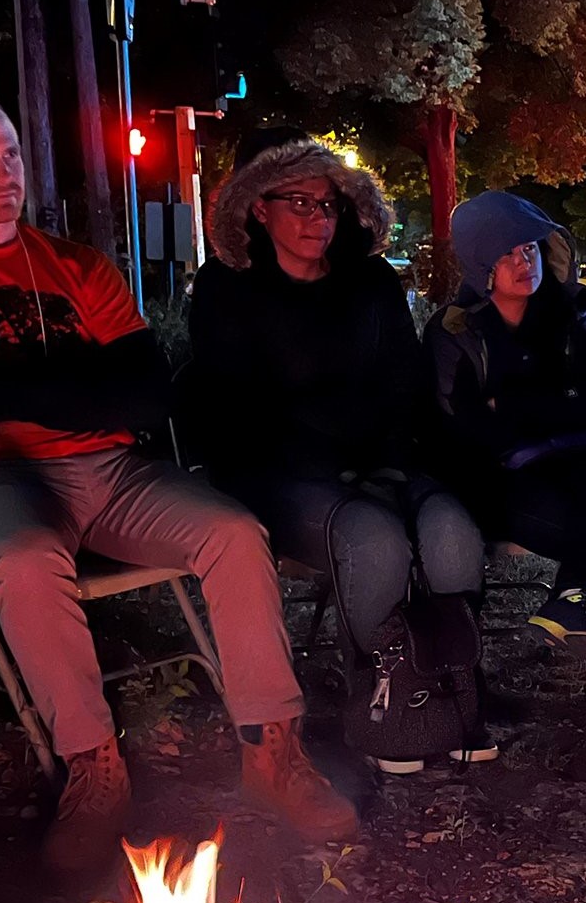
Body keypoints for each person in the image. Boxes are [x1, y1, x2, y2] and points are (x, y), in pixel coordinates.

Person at [0, 84, 354, 870]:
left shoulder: (76, 266)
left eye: (10, 153)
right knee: (28, 557)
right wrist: (76, 382)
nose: (4, 172)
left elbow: (144, 391)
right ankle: (93, 766)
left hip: (107, 468)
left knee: (234, 531)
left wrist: (20, 385)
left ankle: (273, 752)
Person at [188, 130, 488, 774]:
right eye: (296, 201)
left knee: (450, 530)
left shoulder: (371, 282)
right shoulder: (226, 290)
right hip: (280, 471)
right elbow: (238, 408)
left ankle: (454, 688)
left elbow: (404, 383)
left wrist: (393, 457)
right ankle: (385, 692)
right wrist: (345, 455)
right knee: (373, 538)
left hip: (382, 458)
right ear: (255, 207)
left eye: (325, 203)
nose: (315, 217)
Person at [426, 191, 586, 740]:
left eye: (528, 248)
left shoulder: (568, 316)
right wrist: (552, 407)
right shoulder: (455, 331)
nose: (523, 262)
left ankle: (574, 597)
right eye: (505, 255)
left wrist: (515, 407)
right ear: (482, 265)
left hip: (577, 463)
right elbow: (463, 428)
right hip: (497, 480)